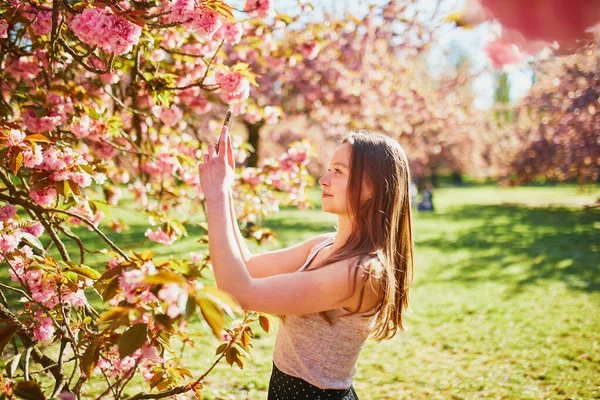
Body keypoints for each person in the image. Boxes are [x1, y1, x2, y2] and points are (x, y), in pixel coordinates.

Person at [198, 129, 414, 400]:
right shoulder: (325, 245)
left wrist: (215, 194)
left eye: (338, 171)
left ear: (372, 187)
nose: (323, 180)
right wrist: (226, 189)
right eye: (328, 169)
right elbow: (249, 266)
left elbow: (237, 293)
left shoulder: (361, 271)